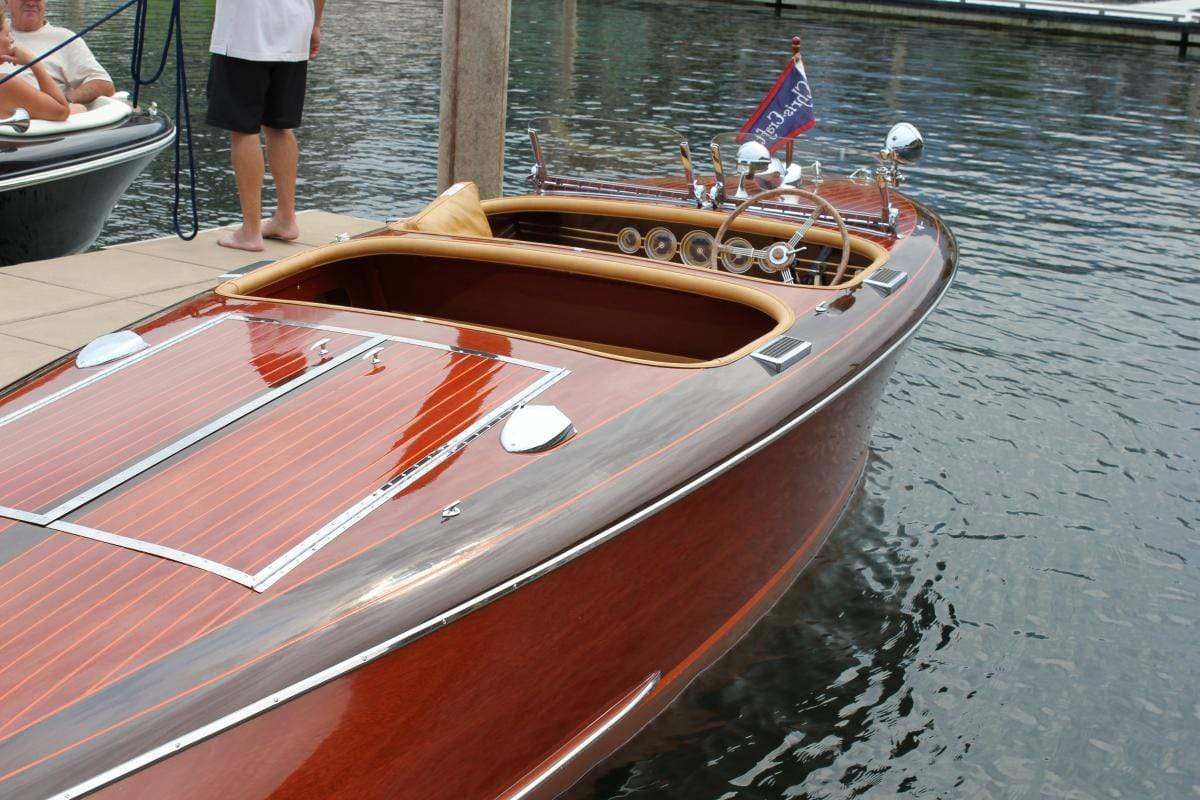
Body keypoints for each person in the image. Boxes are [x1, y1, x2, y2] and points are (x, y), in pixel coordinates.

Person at [206, 0, 324, 252]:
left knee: (243, 130)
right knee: (279, 127)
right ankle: (285, 218)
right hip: (294, 26)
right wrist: (314, 24)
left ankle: (250, 232)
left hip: (244, 33)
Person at [4, 0, 115, 106]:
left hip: (41, 117)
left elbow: (104, 84)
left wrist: (65, 101)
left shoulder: (65, 38)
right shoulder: (2, 31)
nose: (31, 3)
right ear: (7, 2)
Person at [0, 11, 73, 121]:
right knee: (80, 108)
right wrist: (34, 63)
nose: (11, 40)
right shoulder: (6, 84)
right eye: (6, 34)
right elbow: (62, 111)